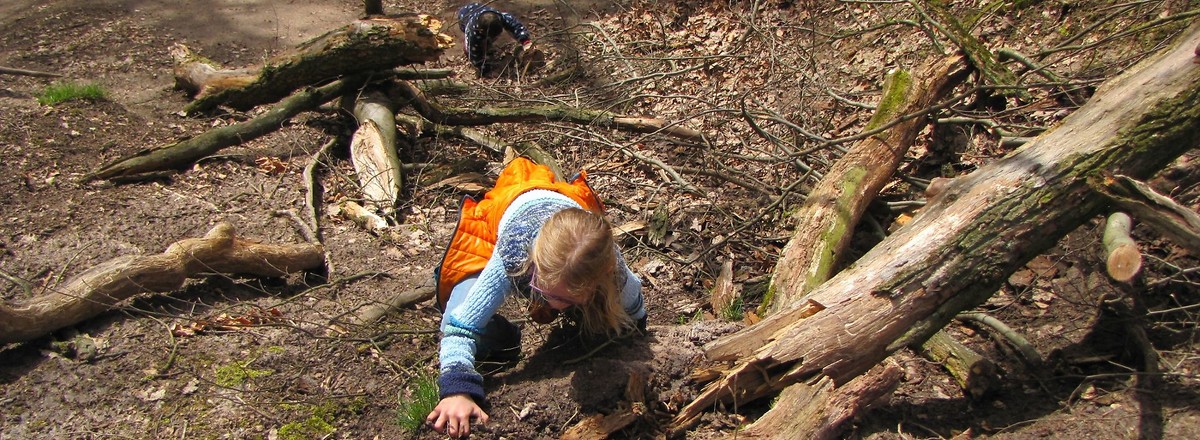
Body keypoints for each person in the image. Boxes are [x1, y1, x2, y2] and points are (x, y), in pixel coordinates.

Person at [425, 157, 647, 438]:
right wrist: (456, 390)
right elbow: (461, 327)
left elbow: (635, 312)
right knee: (453, 314)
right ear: (533, 267)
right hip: (496, 226)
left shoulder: (613, 272)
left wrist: (633, 337)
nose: (555, 305)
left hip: (567, 224)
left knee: (604, 317)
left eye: (567, 300)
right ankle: (505, 342)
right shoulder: (514, 253)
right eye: (545, 292)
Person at [456, 2, 533, 76]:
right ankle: (469, 46)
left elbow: (515, 26)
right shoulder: (473, 33)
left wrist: (525, 41)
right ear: (481, 31)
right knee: (474, 47)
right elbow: (475, 56)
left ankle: (488, 41)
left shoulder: (500, 17)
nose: (497, 38)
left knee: (489, 40)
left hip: (478, 9)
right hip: (464, 16)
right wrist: (486, 70)